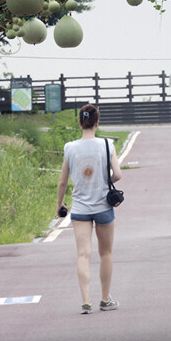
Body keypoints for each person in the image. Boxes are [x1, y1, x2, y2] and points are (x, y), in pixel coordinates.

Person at [57, 104, 123, 314]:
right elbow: (118, 174)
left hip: (80, 208)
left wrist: (59, 205)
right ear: (97, 122)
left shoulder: (70, 147)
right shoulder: (107, 144)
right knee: (106, 253)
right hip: (103, 205)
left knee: (83, 255)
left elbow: (62, 182)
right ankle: (105, 299)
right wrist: (105, 183)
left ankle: (86, 301)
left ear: (80, 122)